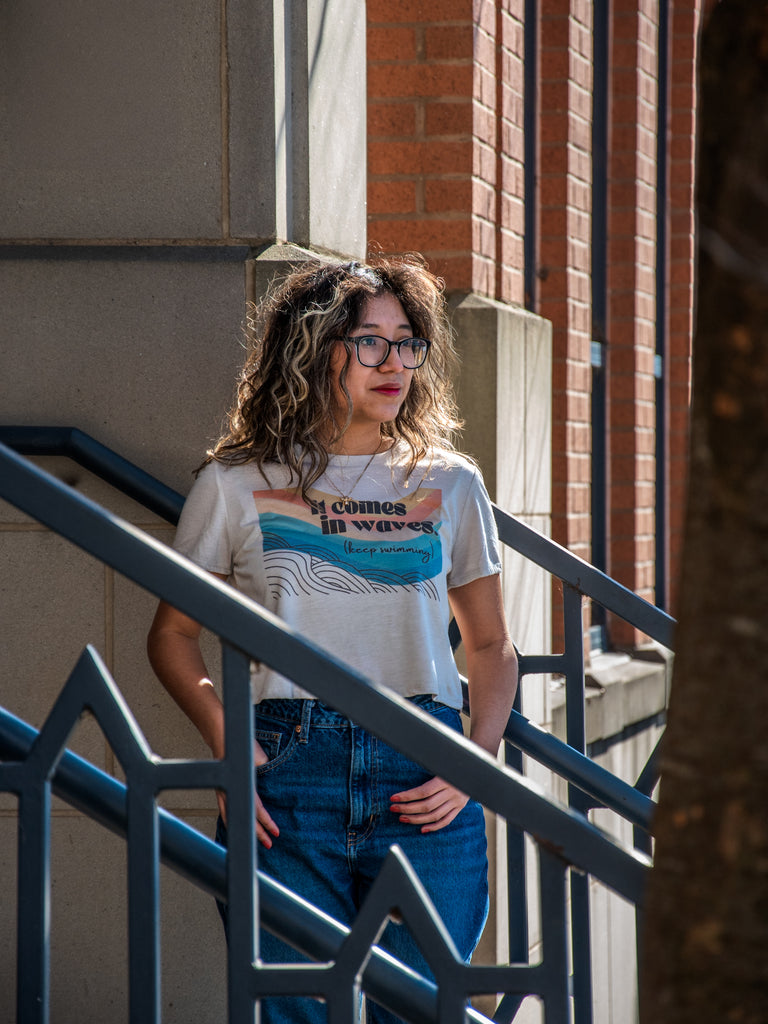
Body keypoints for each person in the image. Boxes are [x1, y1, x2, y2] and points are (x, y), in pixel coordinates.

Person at [147, 255, 518, 1023]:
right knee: (296, 1009)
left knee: (421, 1007)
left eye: (408, 342)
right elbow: (173, 635)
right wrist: (227, 741)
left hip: (426, 774)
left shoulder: (450, 483)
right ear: (314, 349)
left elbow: (489, 650)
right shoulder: (235, 483)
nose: (396, 363)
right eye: (370, 342)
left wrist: (476, 765)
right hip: (286, 776)